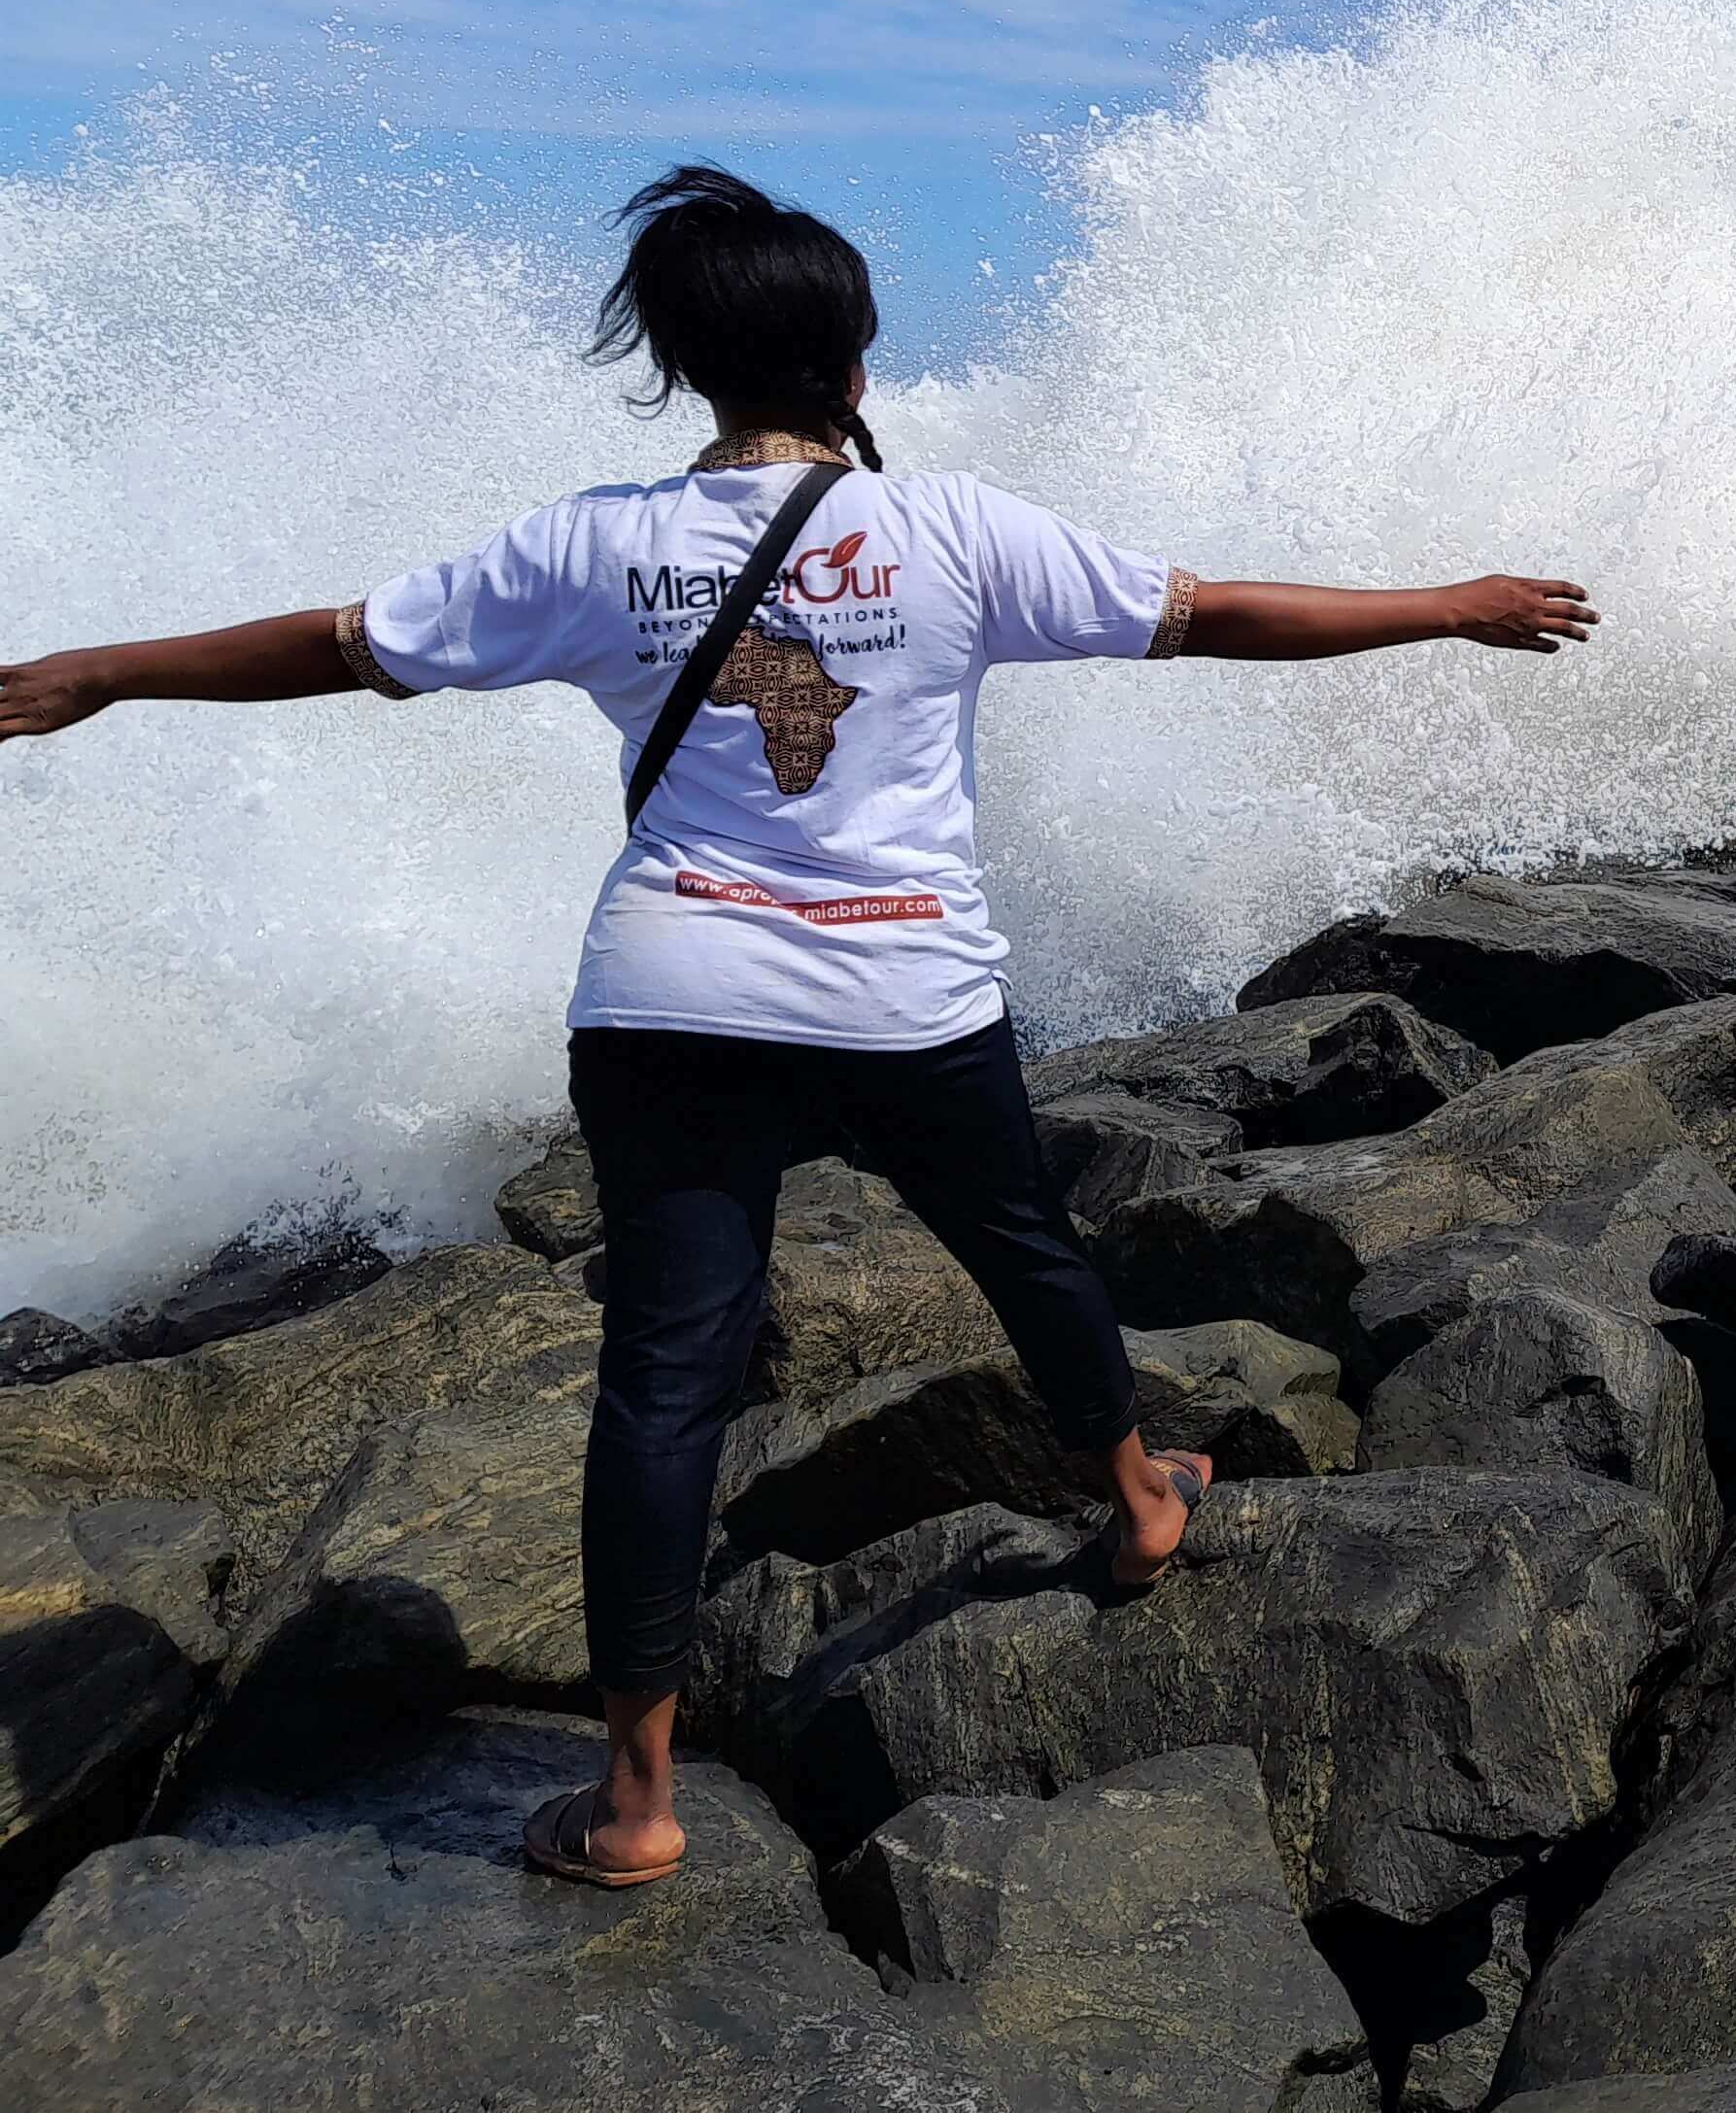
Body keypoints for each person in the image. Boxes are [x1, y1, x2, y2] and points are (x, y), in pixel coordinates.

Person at [0, 163, 1595, 1891]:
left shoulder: (597, 542)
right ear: (855, 365)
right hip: (906, 993)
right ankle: (1141, 1504)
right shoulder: (959, 533)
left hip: (672, 1000)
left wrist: (101, 670)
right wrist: (1451, 605)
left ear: (688, 369)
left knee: (667, 1380)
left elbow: (336, 646)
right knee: (1030, 1253)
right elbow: (1217, 621)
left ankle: (632, 1804)